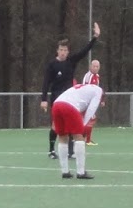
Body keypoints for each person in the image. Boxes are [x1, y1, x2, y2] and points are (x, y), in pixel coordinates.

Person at [41, 22, 100, 158]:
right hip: (57, 98)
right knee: (56, 126)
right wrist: (43, 99)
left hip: (71, 100)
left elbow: (85, 51)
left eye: (65, 50)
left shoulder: (71, 61)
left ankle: (71, 151)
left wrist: (95, 37)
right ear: (57, 50)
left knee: (73, 124)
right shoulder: (52, 65)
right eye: (61, 50)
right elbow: (46, 82)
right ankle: (51, 150)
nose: (63, 52)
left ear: (68, 52)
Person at [50, 79, 103, 180]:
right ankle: (81, 172)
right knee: (79, 136)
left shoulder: (83, 87)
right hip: (69, 106)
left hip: (56, 104)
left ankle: (65, 172)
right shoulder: (98, 91)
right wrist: (83, 125)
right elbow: (91, 109)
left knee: (62, 136)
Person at [80, 59, 102, 144]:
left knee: (90, 119)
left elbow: (96, 89)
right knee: (90, 119)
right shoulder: (89, 76)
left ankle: (85, 139)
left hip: (92, 102)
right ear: (90, 67)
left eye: (97, 66)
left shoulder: (97, 76)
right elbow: (86, 89)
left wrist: (100, 99)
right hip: (87, 102)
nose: (96, 68)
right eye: (94, 66)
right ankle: (85, 140)